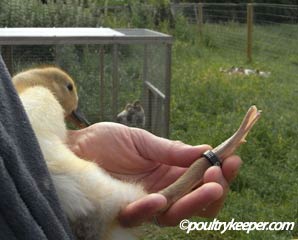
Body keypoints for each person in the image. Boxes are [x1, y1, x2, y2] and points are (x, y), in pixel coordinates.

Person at [0, 54, 241, 239]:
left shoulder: (23, 113)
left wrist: (74, 142)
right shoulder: (40, 97)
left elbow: (29, 137)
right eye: (70, 89)